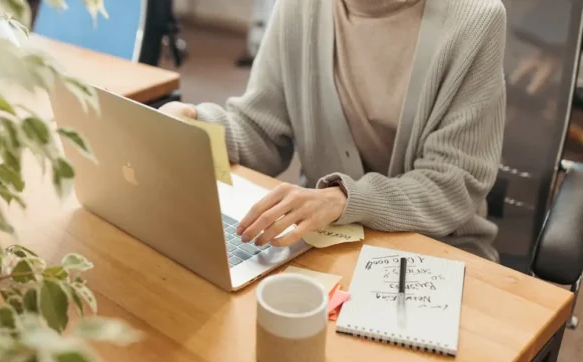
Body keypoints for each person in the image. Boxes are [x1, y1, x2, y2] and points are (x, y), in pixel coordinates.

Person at [159, 0, 507, 261]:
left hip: (436, 247)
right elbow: (261, 129)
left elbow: (453, 185)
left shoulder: (475, 18)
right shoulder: (300, 6)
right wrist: (198, 126)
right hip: (325, 238)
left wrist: (341, 199)